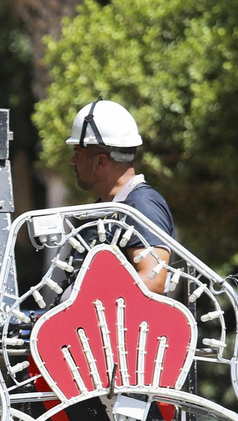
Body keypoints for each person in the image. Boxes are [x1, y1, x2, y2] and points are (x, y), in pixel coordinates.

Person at [66, 99, 175, 295]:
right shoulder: (108, 208)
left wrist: (87, 304)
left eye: (78, 154)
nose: (72, 161)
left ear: (100, 162)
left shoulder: (142, 205)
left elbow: (153, 281)